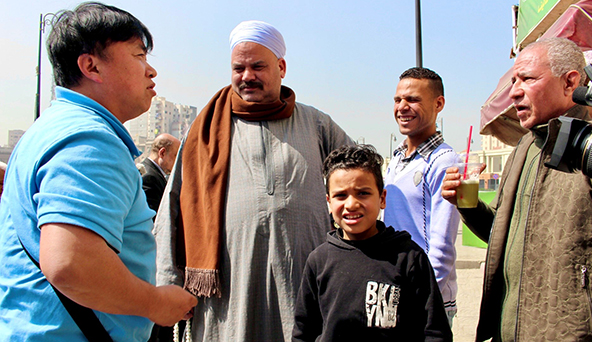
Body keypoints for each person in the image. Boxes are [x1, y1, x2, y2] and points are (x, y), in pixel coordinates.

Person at [0, 3, 197, 341]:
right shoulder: (90, 139)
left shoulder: (51, 128)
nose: (151, 72)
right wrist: (155, 303)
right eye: (138, 56)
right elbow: (70, 263)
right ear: (91, 66)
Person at [154, 20, 353, 342]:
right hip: (228, 297)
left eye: (258, 66)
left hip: (302, 284)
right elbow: (173, 209)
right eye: (239, 68)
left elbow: (361, 180)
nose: (247, 76)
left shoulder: (317, 124)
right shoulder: (203, 133)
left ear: (281, 67)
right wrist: (167, 282)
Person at [442, 37, 592, 341]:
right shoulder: (525, 148)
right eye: (513, 81)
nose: (514, 91)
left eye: (528, 79)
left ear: (570, 82)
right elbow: (501, 232)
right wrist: (468, 205)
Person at [292, 144, 452, 342]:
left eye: (363, 193)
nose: (351, 204)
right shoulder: (319, 260)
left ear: (382, 198)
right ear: (329, 202)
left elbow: (435, 332)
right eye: (341, 195)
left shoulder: (409, 258)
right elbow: (303, 331)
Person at [383, 67, 460, 324]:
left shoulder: (445, 162)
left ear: (439, 104)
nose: (402, 107)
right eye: (398, 100)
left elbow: (442, 247)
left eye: (413, 99)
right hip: (396, 290)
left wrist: (422, 297)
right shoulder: (396, 158)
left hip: (425, 302)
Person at [141, 133, 180, 216]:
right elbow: (153, 218)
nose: (178, 162)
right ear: (162, 153)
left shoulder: (152, 173)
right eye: (175, 156)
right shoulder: (149, 178)